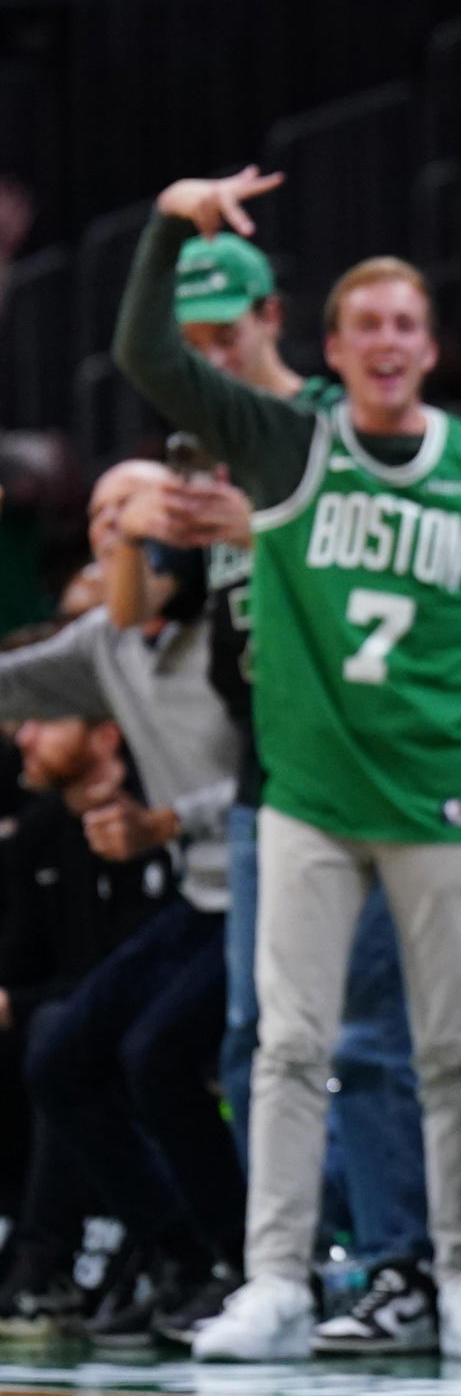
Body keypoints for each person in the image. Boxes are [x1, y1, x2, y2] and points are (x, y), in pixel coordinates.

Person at [113, 169, 461, 1362]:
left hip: (441, 794)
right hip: (310, 798)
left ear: (429, 349)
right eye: (364, 324)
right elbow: (145, 354)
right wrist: (173, 221)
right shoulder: (286, 439)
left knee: (447, 1055)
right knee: (285, 1043)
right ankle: (276, 1279)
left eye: (405, 324)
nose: (386, 341)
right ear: (330, 348)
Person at [107, 237, 433, 1347]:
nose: (208, 350)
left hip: (357, 760)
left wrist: (269, 528)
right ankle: (289, 1268)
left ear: (272, 316)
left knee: (365, 1032)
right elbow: (137, 616)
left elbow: (384, 572)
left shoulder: (327, 432)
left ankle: (391, 1261)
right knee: (255, 1034)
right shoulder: (209, 451)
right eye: (193, 338)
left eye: (224, 331)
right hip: (262, 772)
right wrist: (134, 520)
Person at [0, 461, 246, 1344]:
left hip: (265, 882)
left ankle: (234, 1258)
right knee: (61, 1053)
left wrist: (175, 817)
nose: (107, 529)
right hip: (198, 890)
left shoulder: (228, 619)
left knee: (154, 1053)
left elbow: (270, 769)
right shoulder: (107, 639)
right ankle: (178, 1249)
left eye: (126, 511)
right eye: (98, 513)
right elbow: (13, 682)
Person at [0, 712, 175, 1334]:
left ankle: (42, 1264)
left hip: (139, 1016)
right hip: (63, 1013)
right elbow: (17, 957)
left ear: (105, 733)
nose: (23, 737)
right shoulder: (38, 832)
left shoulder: (153, 820)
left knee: (60, 1039)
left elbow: (143, 965)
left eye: (42, 722)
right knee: (48, 1034)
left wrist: (18, 1004)